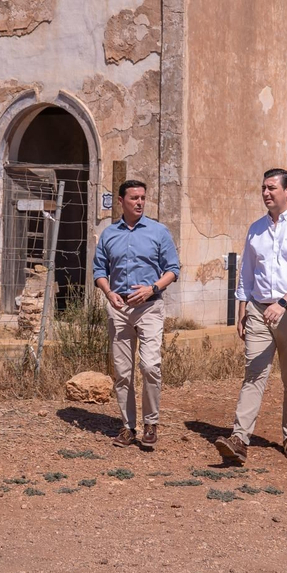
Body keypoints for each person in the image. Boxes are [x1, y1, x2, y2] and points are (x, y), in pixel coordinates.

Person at [215, 168, 287, 464]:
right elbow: (246, 274)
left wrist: (283, 304)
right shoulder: (255, 229)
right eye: (263, 187)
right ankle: (239, 439)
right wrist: (241, 311)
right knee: (254, 375)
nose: (266, 193)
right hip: (259, 312)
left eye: (271, 188)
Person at [92, 178, 180, 448]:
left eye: (142, 197)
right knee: (123, 372)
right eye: (134, 198)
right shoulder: (109, 234)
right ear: (121, 201)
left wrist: (152, 288)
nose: (139, 202)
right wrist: (109, 293)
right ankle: (128, 427)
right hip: (119, 309)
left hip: (150, 306)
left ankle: (151, 423)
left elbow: (173, 270)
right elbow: (98, 271)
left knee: (150, 366)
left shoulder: (158, 231)